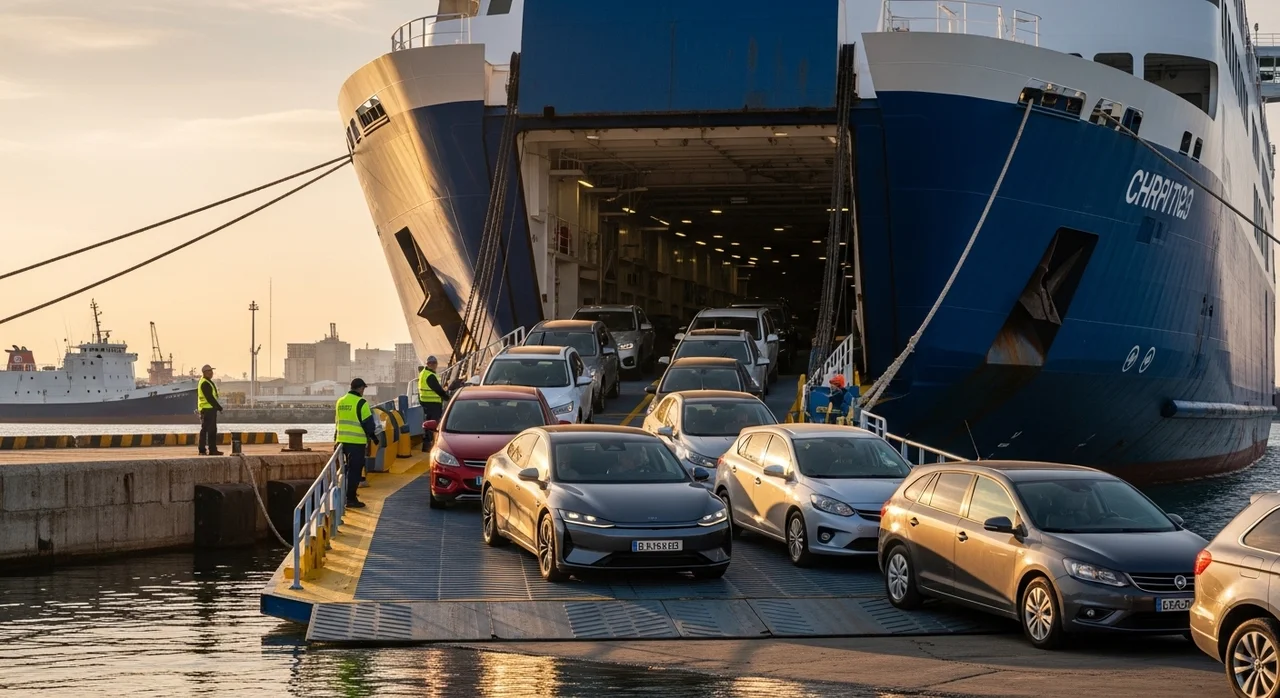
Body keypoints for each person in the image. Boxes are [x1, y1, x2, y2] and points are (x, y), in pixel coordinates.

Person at [335, 378, 379, 509]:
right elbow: (368, 424)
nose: (363, 391)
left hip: (340, 442)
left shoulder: (340, 401)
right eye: (363, 389)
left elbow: (337, 422)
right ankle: (351, 499)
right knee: (354, 471)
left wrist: (336, 439)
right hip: (356, 442)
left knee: (342, 470)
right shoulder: (361, 403)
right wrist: (374, 438)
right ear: (360, 388)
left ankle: (340, 497)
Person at [418, 356, 450, 452]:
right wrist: (447, 397)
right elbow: (437, 389)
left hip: (425, 403)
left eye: (434, 363)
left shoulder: (423, 373)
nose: (432, 365)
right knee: (433, 425)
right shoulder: (430, 376)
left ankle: (427, 445)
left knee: (428, 424)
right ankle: (429, 445)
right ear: (428, 364)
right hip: (433, 404)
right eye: (430, 363)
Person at [197, 364, 223, 456]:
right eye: (209, 371)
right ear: (204, 373)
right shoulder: (205, 383)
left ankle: (203, 450)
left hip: (207, 409)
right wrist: (218, 407)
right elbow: (210, 398)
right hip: (208, 409)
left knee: (205, 430)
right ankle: (211, 450)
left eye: (211, 371)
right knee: (210, 431)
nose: (211, 373)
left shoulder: (205, 381)